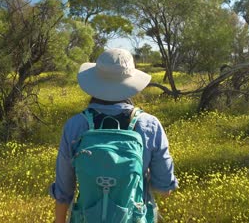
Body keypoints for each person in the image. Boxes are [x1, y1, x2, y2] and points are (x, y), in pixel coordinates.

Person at [49, 48, 178, 223]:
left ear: (94, 81)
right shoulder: (150, 125)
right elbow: (164, 189)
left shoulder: (75, 125)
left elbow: (63, 192)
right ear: (130, 82)